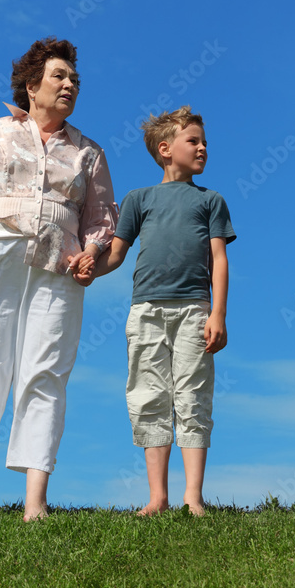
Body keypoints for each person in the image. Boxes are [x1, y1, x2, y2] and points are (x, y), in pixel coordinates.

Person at [0, 37, 118, 521]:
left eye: (74, 79)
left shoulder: (89, 151)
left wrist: (92, 253)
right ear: (31, 86)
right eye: (59, 76)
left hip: (58, 262)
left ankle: (34, 503)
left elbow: (101, 216)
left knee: (47, 370)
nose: (69, 84)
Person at [75, 106, 235, 516]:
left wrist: (218, 313)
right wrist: (92, 270)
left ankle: (193, 497)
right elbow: (116, 255)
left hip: (194, 310)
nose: (202, 147)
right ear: (165, 149)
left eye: (204, 142)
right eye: (193, 141)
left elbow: (218, 258)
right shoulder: (138, 199)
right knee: (149, 395)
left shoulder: (211, 200)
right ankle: (157, 497)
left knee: (193, 394)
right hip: (145, 309)